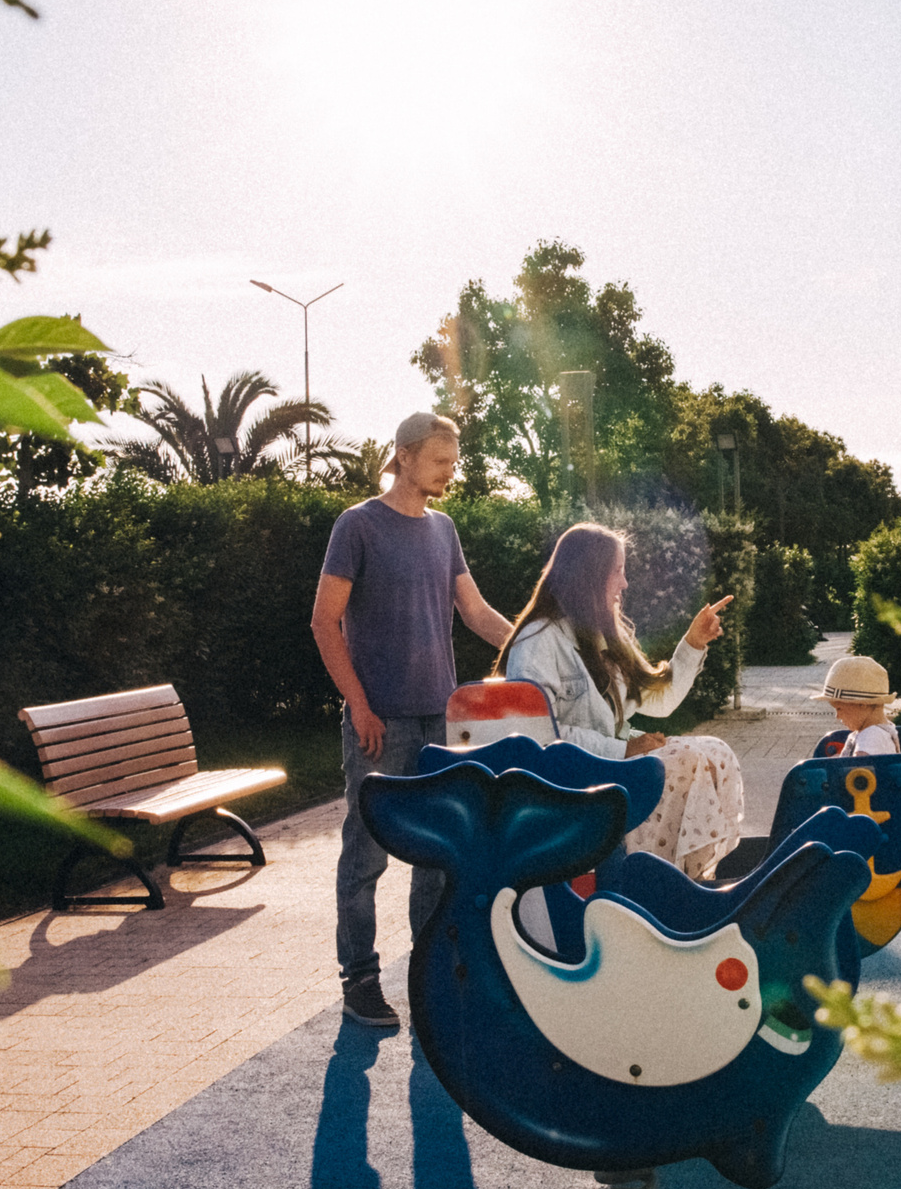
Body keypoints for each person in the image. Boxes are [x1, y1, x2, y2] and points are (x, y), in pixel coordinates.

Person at [311, 411, 514, 1029]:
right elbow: (325, 622)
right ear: (403, 456)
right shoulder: (358, 526)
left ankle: (427, 974)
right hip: (381, 724)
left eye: (453, 462)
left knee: (436, 856)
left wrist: (538, 649)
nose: (450, 472)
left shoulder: (444, 529)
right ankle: (361, 980)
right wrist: (361, 705)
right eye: (440, 462)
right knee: (366, 857)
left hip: (440, 721)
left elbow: (475, 612)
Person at [498, 523, 744, 878]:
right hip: (568, 781)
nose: (624, 584)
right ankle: (652, 879)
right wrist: (622, 751)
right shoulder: (538, 640)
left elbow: (660, 700)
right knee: (685, 760)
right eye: (618, 571)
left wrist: (693, 643)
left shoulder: (604, 632)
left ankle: (691, 878)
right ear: (590, 576)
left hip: (604, 768)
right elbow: (536, 738)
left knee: (715, 751)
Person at [811, 654, 901, 756]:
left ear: (862, 704)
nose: (837, 716)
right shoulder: (878, 731)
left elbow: (858, 770)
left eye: (839, 708)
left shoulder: (870, 738)